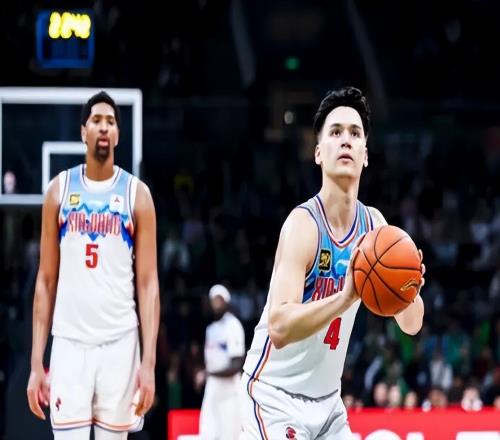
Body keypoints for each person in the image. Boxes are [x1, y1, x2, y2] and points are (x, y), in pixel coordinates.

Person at [240, 87, 425, 439]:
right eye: (335, 132)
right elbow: (279, 327)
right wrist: (345, 297)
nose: (346, 141)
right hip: (273, 397)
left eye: (355, 133)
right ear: (318, 153)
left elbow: (412, 325)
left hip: (328, 405)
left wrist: (410, 289)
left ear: (365, 155)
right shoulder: (303, 225)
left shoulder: (375, 229)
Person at [26, 91, 160, 440]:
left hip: (120, 343)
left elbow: (149, 284)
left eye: (111, 122)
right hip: (70, 343)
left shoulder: (137, 195)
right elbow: (45, 280)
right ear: (83, 131)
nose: (104, 127)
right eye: (97, 120)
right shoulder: (58, 191)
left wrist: (149, 363)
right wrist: (36, 362)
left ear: (117, 135)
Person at [198, 284, 245, 440]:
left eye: (219, 299)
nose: (216, 303)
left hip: (230, 391)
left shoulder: (233, 325)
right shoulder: (210, 329)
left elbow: (236, 365)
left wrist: (208, 373)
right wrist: (208, 374)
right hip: (213, 387)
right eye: (213, 299)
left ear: (227, 301)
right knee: (208, 432)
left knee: (230, 434)